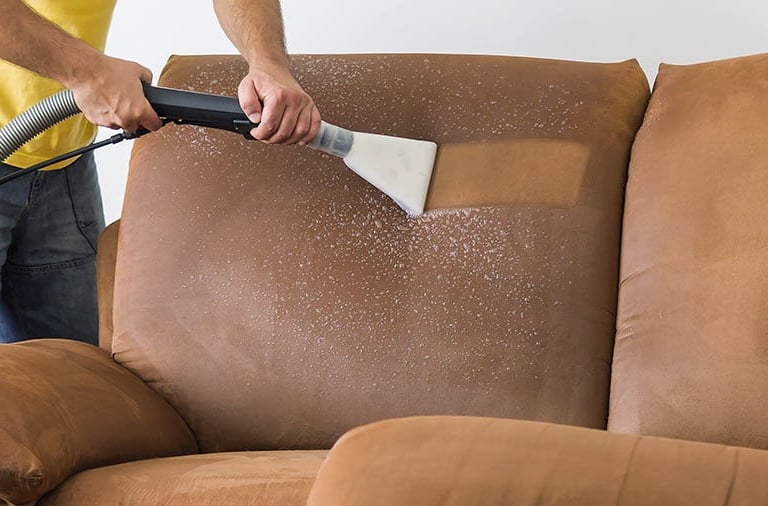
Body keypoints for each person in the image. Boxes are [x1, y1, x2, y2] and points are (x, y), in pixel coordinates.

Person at [0, 0, 321, 344]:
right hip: (19, 139)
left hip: (61, 157)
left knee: (72, 361)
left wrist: (268, 63)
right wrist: (88, 73)